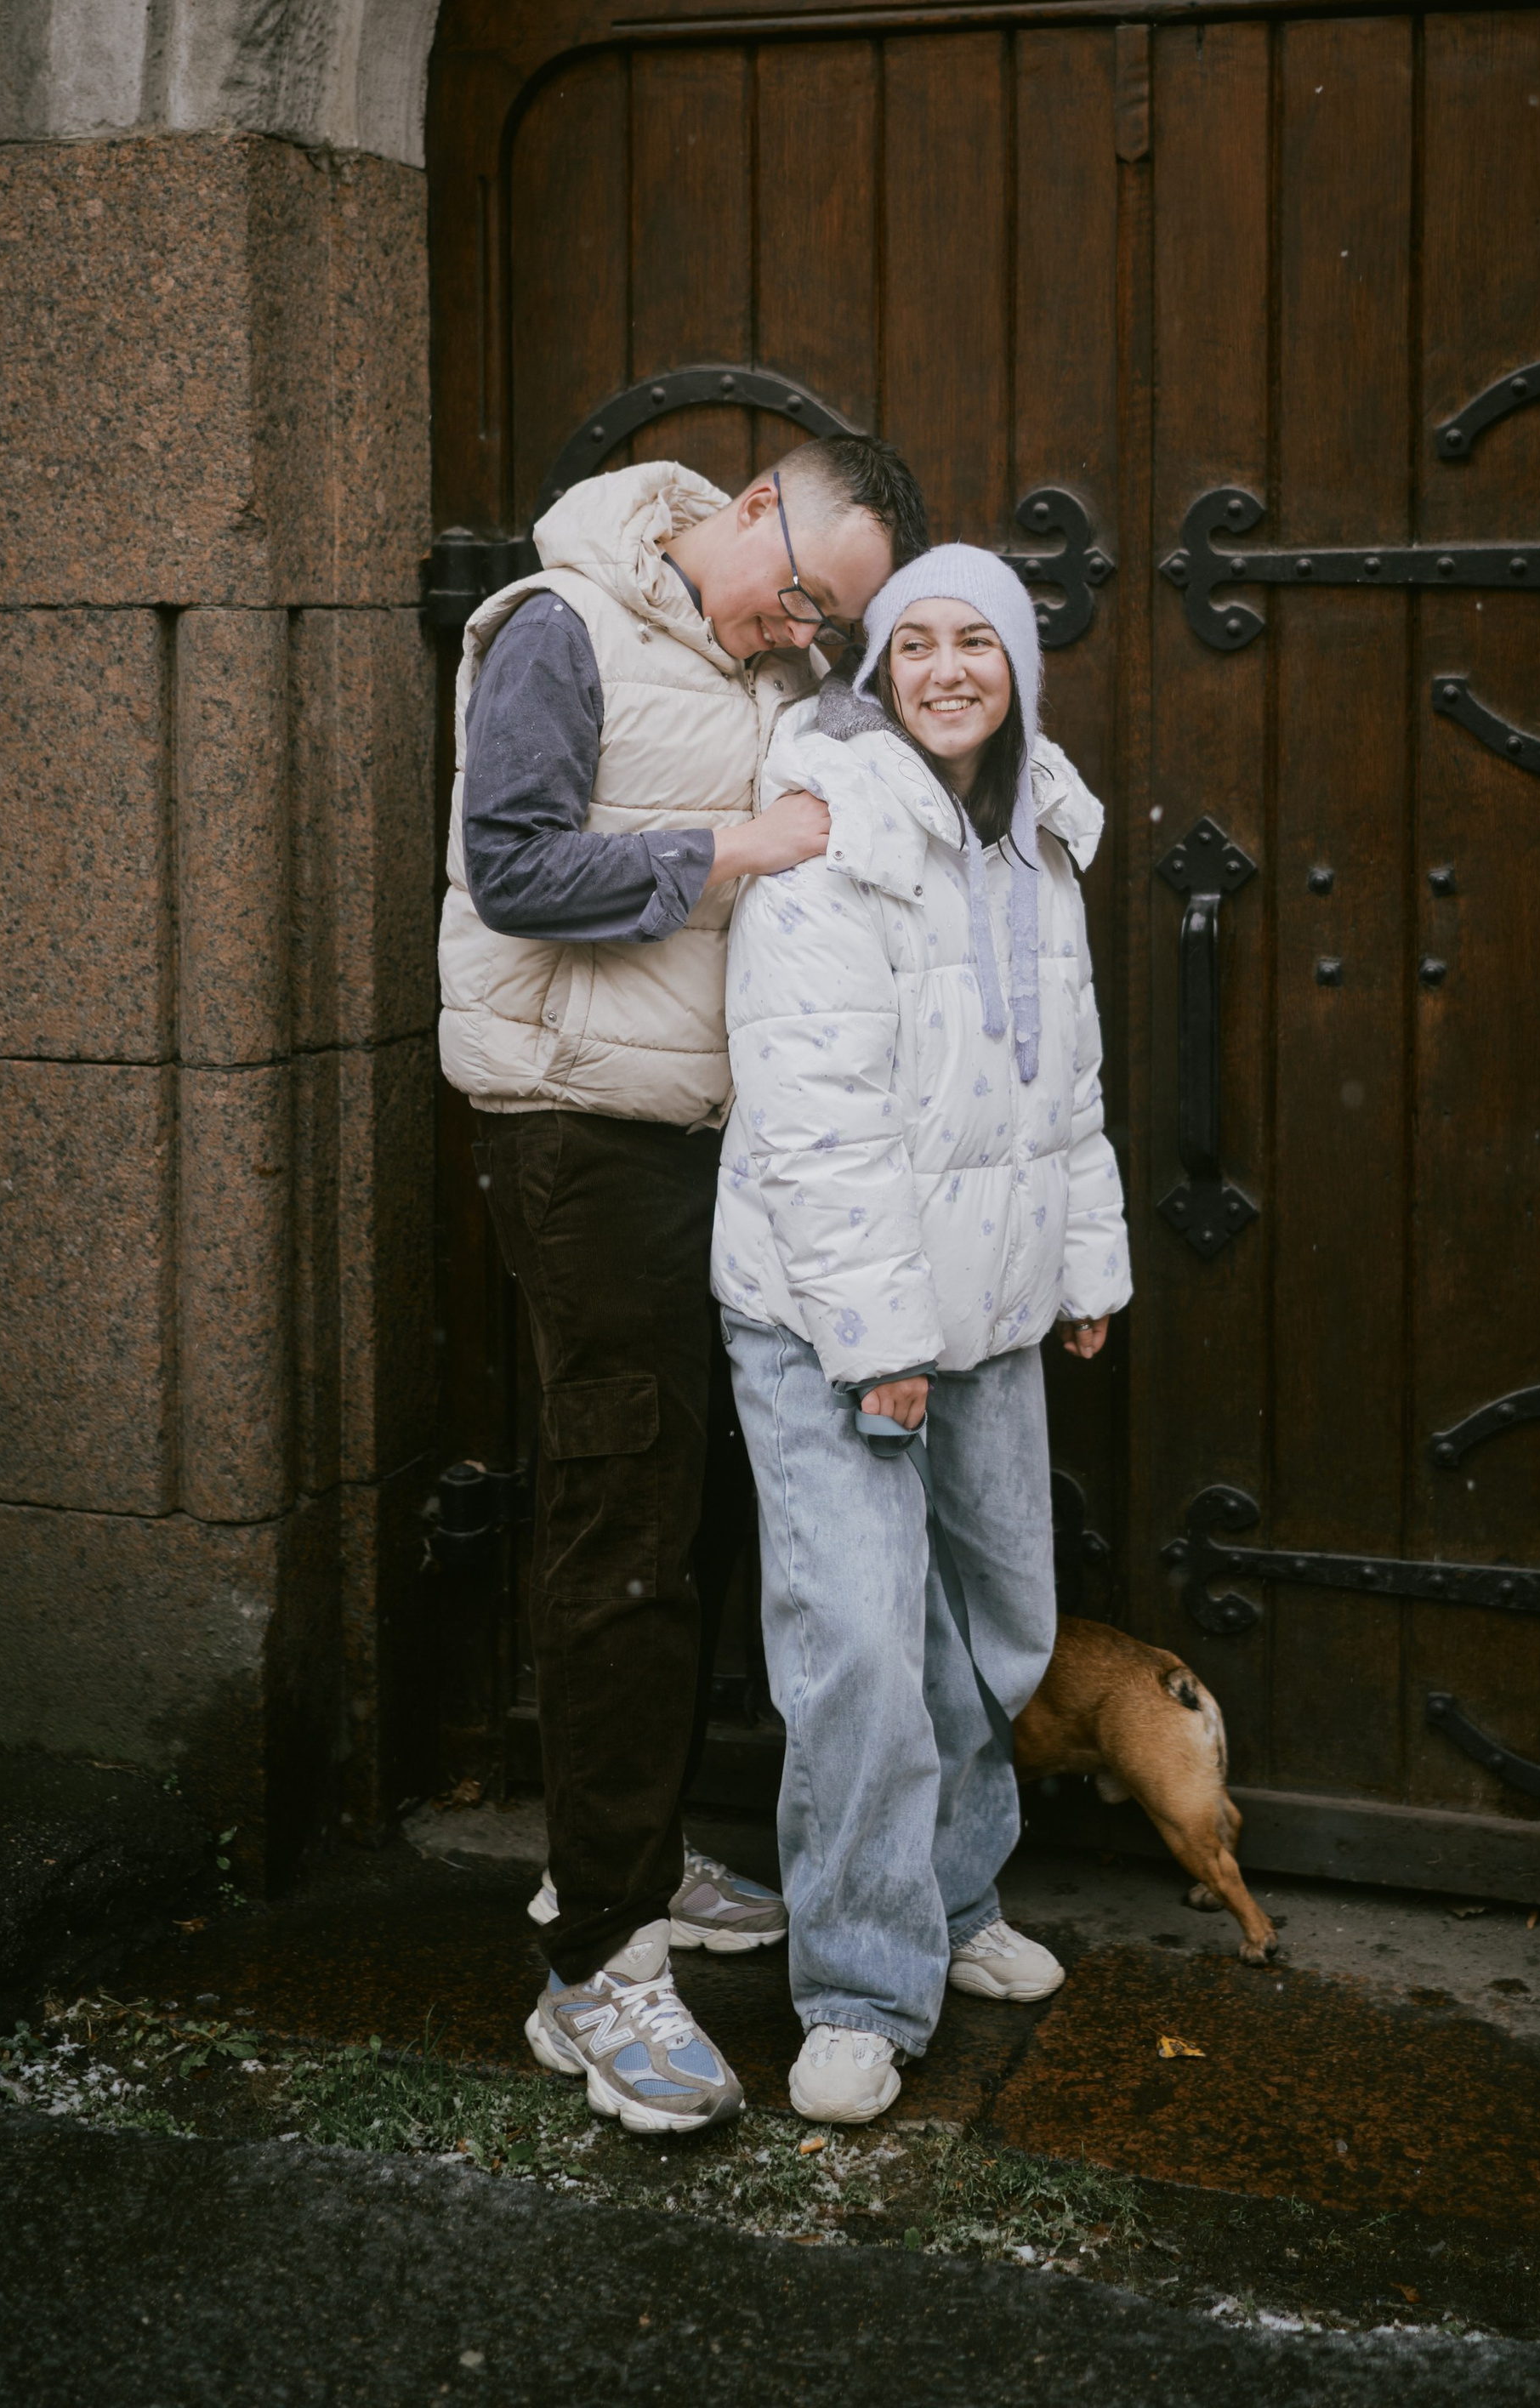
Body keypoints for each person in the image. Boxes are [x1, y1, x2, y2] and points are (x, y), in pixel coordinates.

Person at [440, 434, 929, 2137]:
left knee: (693, 1507)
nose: (803, 626)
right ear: (741, 508)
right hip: (580, 1134)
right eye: (798, 586)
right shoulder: (555, 629)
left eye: (829, 615)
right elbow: (510, 870)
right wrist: (734, 845)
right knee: (623, 1520)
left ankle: (627, 1849)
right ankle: (595, 1971)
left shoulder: (764, 661)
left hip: (714, 1141)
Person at [710, 544, 1133, 2124]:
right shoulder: (835, 838)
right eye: (916, 643)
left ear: (1020, 667)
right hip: (832, 1316)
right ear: (877, 668)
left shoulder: (1036, 835)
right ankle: (861, 1987)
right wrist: (877, 1333)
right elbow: (813, 1117)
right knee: (864, 1653)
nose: (949, 668)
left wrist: (1079, 1269)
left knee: (995, 1632)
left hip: (989, 1310)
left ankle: (953, 1901)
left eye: (982, 642)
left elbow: (1063, 1080)